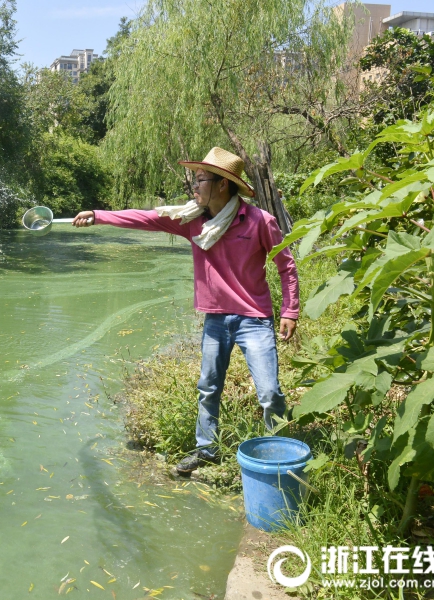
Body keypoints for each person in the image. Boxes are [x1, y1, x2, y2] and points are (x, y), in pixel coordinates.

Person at [72, 147, 299, 475]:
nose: (194, 186)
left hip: (254, 318)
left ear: (223, 184)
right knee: (209, 388)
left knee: (269, 392)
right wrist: (99, 215)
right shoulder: (192, 222)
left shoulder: (259, 221)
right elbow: (147, 218)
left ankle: (277, 453)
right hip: (216, 319)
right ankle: (207, 450)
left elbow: (286, 265)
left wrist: (290, 310)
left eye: (201, 179)